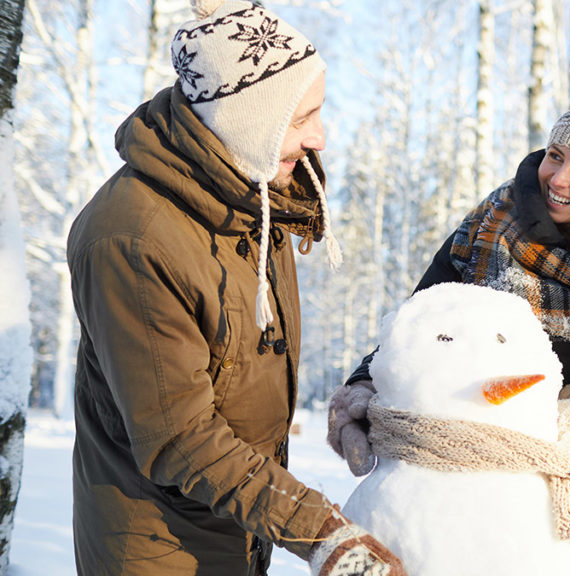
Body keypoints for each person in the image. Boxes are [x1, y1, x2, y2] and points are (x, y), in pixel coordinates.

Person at [66, 1, 404, 574]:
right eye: (301, 120)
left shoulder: (250, 194)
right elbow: (180, 438)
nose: (318, 138)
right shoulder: (133, 239)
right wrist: (319, 531)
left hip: (237, 528)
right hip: (159, 548)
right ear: (247, 121)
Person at [328, 97, 570, 476]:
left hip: (529, 468)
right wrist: (363, 385)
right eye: (555, 156)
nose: (558, 179)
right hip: (436, 445)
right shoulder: (484, 230)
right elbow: (416, 324)